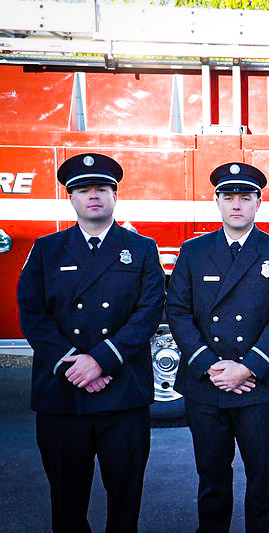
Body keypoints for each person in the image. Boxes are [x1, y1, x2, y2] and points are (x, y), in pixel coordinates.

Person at [17, 153, 165, 533]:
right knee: (66, 500)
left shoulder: (142, 248)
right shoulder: (46, 248)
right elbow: (32, 314)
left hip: (123, 393)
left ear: (115, 196)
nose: (93, 196)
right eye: (83, 190)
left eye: (102, 188)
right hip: (63, 395)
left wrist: (100, 360)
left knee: (125, 496)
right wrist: (74, 362)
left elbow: (149, 311)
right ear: (71, 199)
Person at [166, 162, 269, 533]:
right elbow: (177, 311)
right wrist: (210, 365)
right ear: (217, 202)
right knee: (211, 474)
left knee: (261, 473)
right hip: (205, 384)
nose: (237, 205)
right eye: (229, 197)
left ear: (259, 202)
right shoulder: (193, 251)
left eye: (246, 197)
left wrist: (249, 367)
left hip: (258, 384)